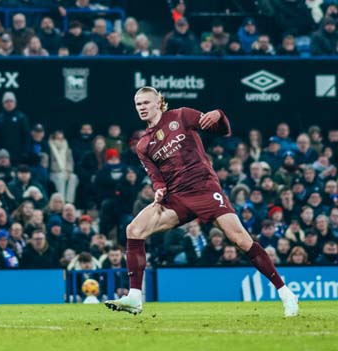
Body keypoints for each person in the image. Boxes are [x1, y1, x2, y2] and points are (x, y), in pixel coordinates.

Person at [104, 86, 298, 317]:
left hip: (204, 189)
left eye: (146, 102)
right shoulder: (143, 145)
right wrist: (158, 190)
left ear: (158, 102)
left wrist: (219, 114)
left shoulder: (181, 116)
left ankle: (286, 293)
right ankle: (135, 297)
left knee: (240, 240)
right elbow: (156, 178)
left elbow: (222, 130)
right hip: (176, 197)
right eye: (138, 105)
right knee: (134, 229)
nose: (142, 108)